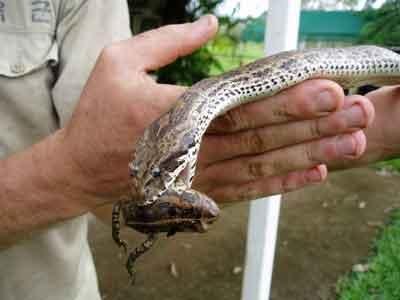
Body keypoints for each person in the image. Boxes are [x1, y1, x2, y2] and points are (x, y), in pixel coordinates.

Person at [0, 2, 389, 299]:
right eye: (150, 176)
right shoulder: (178, 139)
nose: (149, 186)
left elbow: (110, 193)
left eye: (155, 175)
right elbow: (111, 178)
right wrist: (71, 174)